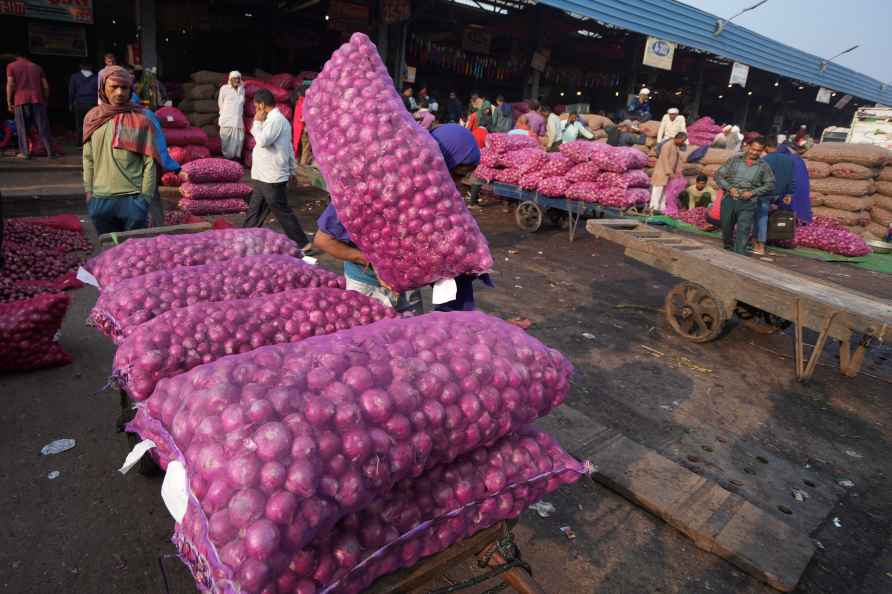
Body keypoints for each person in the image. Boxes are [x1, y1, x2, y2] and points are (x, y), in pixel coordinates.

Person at [82, 66, 159, 234]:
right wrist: (89, 192)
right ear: (103, 88)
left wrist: (145, 199)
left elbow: (149, 163)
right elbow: (88, 159)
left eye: (124, 88)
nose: (119, 93)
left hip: (132, 199)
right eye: (114, 87)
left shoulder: (141, 120)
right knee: (108, 252)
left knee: (133, 255)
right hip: (100, 199)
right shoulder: (92, 118)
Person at [243, 89, 312, 252]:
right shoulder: (274, 119)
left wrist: (257, 122)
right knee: (255, 207)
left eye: (255, 107)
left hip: (271, 175)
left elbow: (262, 141)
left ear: (261, 105)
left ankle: (302, 242)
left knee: (280, 209)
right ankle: (245, 236)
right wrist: (292, 169)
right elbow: (287, 147)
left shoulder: (275, 120)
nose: (255, 110)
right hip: (263, 174)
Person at [715, 136, 775, 254]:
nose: (754, 152)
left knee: (743, 229)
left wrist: (752, 192)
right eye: (752, 149)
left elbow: (770, 184)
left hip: (749, 202)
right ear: (748, 147)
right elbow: (718, 175)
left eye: (758, 150)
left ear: (762, 151)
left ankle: (739, 255)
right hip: (730, 198)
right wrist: (730, 188)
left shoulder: (764, 166)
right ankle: (728, 246)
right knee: (726, 226)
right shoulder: (735, 160)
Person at [6, 52, 54, 159]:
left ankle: (25, 153)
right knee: (43, 127)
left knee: (22, 127)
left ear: (17, 57)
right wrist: (45, 99)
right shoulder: (37, 67)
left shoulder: (11, 66)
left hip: (20, 100)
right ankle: (50, 152)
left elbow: (11, 84)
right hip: (38, 99)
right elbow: (46, 86)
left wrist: (9, 102)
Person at [755, 137, 797, 254]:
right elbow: (792, 179)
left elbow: (760, 178)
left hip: (766, 193)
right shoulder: (789, 161)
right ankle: (769, 239)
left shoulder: (765, 160)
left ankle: (760, 245)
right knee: (770, 215)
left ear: (766, 148)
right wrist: (789, 193)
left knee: (761, 217)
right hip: (780, 194)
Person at [649, 132, 688, 213]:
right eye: (682, 140)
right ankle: (653, 208)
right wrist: (669, 172)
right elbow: (665, 159)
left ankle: (661, 209)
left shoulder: (676, 147)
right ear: (678, 138)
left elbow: (677, 160)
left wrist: (678, 172)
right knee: (657, 190)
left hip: (668, 174)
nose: (682, 142)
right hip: (662, 172)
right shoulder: (667, 145)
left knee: (664, 192)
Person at [777, 142, 812, 223]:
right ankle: (801, 219)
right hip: (802, 185)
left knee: (789, 203)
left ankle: (788, 221)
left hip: (791, 186)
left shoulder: (785, 159)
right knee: (801, 202)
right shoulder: (798, 159)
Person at [217, 71, 246, 160]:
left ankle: (236, 158)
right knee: (226, 140)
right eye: (235, 78)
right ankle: (227, 158)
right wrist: (224, 114)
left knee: (239, 140)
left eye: (238, 78)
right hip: (227, 120)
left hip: (238, 120)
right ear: (230, 79)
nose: (237, 80)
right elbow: (220, 103)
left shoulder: (242, 89)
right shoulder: (224, 88)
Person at [69, 61, 96, 142]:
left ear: (80, 66)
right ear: (91, 66)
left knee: (80, 124)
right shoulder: (96, 77)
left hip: (79, 103)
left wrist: (70, 103)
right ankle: (92, 140)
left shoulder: (74, 77)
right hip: (93, 103)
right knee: (92, 123)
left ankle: (80, 141)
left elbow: (71, 91)